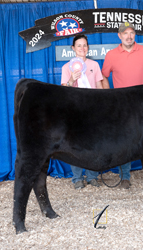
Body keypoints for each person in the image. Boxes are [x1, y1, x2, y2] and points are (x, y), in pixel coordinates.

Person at [101, 22, 143, 189]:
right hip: (122, 105)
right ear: (119, 35)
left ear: (135, 35)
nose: (129, 36)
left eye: (131, 33)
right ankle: (125, 177)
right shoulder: (111, 55)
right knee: (125, 140)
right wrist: (109, 96)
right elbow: (104, 76)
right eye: (125, 33)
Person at [61, 34, 103, 189]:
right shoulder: (67, 67)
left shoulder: (94, 65)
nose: (82, 48)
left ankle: (92, 176)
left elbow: (99, 87)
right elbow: (63, 91)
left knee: (93, 144)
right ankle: (77, 178)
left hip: (92, 110)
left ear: (88, 47)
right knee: (75, 145)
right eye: (79, 45)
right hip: (75, 110)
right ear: (73, 48)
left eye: (85, 45)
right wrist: (72, 80)